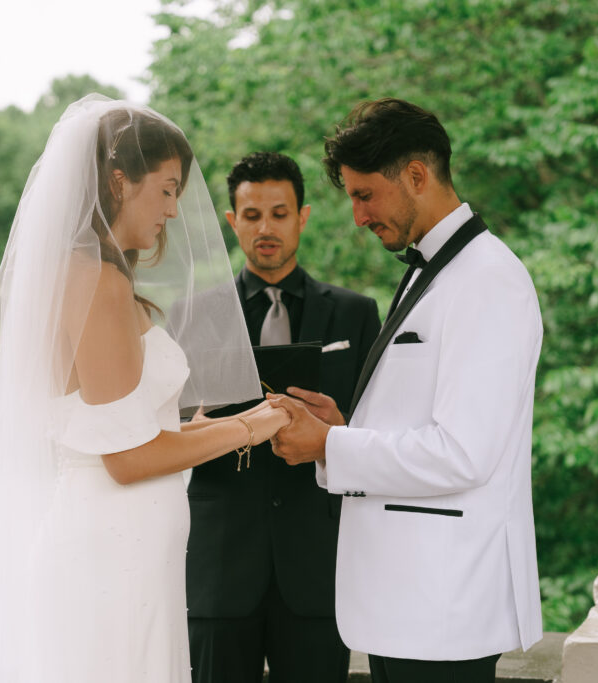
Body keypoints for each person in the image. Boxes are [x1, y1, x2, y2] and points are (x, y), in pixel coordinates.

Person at [0, 96, 289, 683]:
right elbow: (127, 458)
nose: (173, 209)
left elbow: (142, 434)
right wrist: (250, 428)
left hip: (131, 548)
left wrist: (258, 414)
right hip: (110, 554)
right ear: (119, 181)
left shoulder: (98, 276)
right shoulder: (96, 281)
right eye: (165, 189)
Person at [269, 98, 544, 683]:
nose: (357, 217)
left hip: (445, 607)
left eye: (364, 194)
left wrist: (329, 448)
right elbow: (419, 419)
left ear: (416, 175)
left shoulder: (489, 280)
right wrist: (342, 429)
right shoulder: (432, 267)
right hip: (410, 605)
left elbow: (463, 452)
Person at [186, 152, 380, 683]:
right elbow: (174, 433)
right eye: (251, 216)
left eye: (279, 213)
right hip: (220, 567)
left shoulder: (355, 314)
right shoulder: (197, 314)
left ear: (303, 217)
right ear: (232, 222)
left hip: (316, 568)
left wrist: (338, 429)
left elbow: (377, 434)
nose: (265, 228)